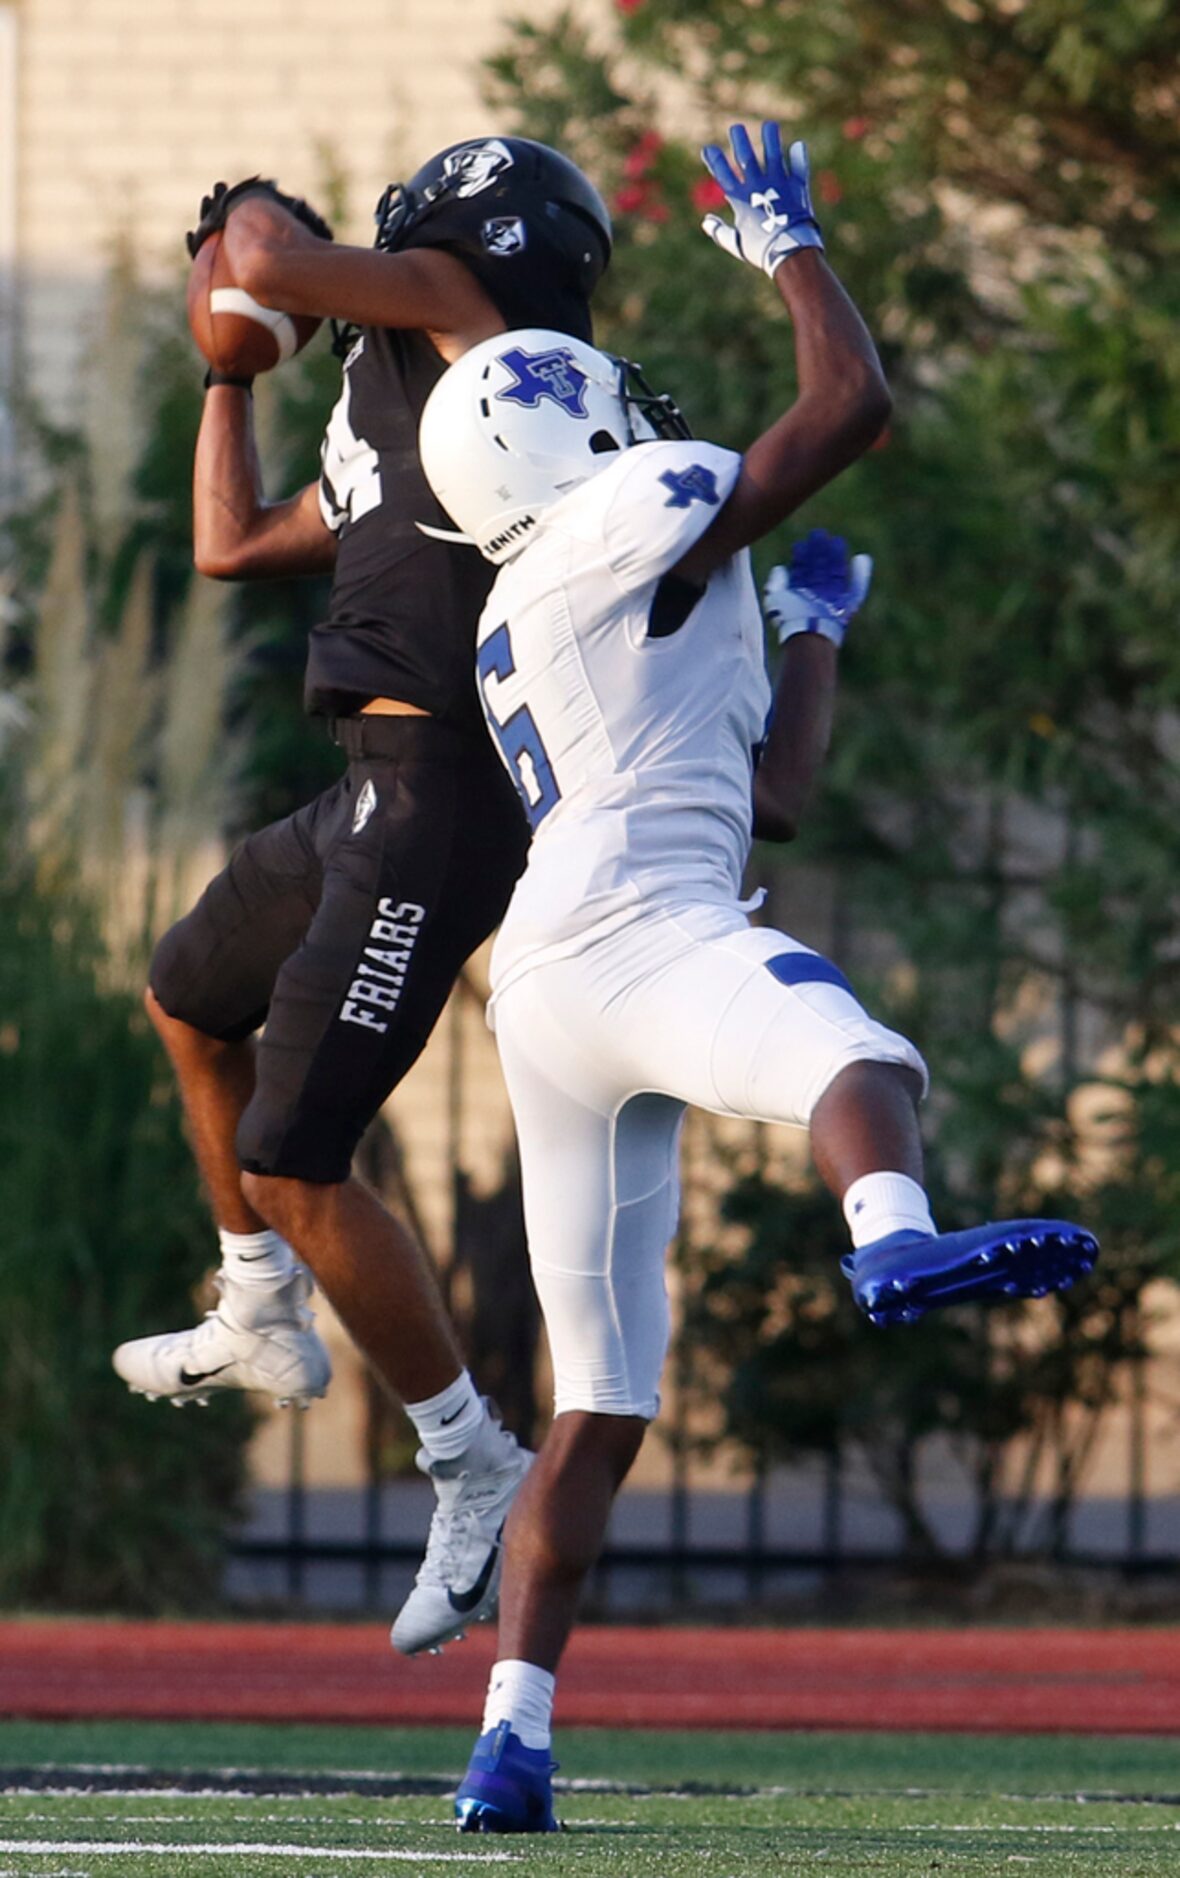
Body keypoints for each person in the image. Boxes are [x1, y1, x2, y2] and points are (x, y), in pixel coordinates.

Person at [414, 122, 1100, 1830]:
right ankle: (891, 1241)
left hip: (557, 977)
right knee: (860, 1056)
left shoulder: (526, 607)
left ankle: (512, 1735)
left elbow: (770, 792)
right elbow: (846, 409)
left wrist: (812, 634)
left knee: (599, 1402)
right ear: (558, 431)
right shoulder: (633, 506)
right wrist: (789, 237)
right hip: (642, 926)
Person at [110, 137, 613, 1657]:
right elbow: (229, 544)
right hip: (366, 788)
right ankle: (259, 1301)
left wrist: (235, 238)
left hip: (443, 795)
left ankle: (474, 1462)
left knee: (298, 1146)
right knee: (191, 993)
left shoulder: (460, 305)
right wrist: (229, 376)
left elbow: (261, 256)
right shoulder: (409, 396)